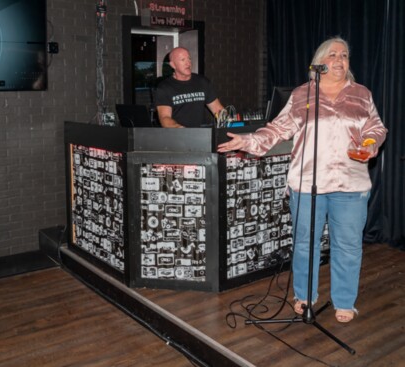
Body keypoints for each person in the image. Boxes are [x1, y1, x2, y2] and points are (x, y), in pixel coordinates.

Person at [217, 37, 387, 323]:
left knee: (347, 245)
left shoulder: (361, 94)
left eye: (344, 55)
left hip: (351, 184)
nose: (340, 59)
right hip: (308, 183)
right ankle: (305, 296)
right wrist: (249, 140)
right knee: (305, 244)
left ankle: (345, 301)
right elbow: (277, 129)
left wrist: (370, 142)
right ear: (319, 62)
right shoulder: (302, 95)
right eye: (333, 54)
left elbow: (376, 127)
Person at [155, 47, 224, 128]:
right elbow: (165, 118)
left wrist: (232, 123)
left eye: (189, 59)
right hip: (179, 136)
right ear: (173, 65)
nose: (188, 63)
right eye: (183, 60)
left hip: (202, 135)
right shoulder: (164, 87)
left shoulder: (202, 82)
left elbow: (218, 110)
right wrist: (179, 128)